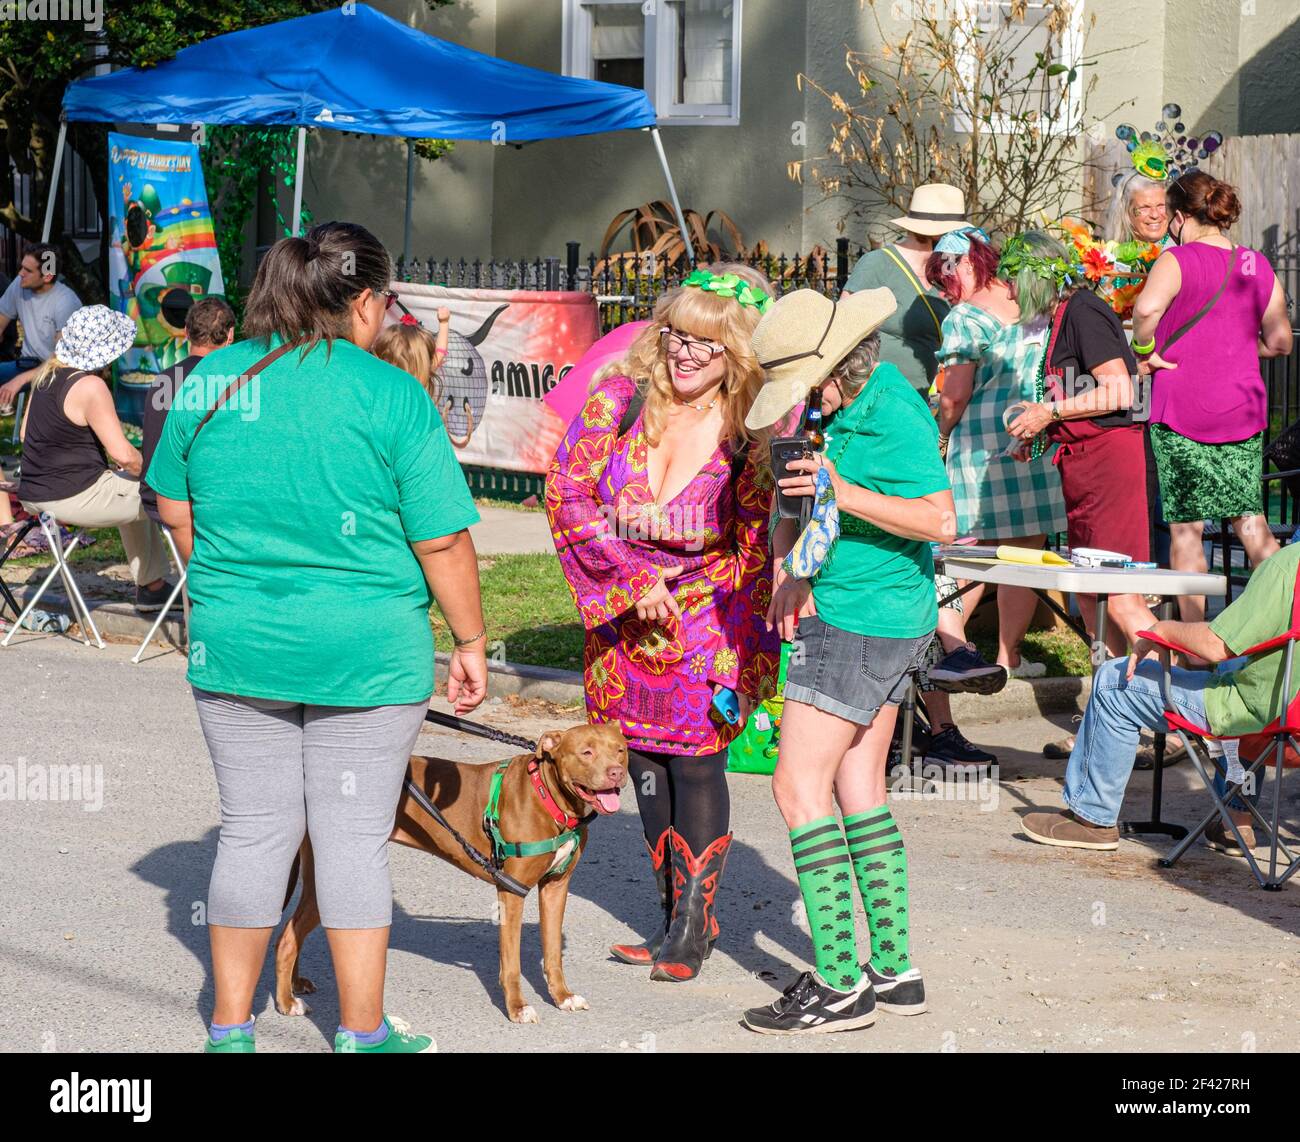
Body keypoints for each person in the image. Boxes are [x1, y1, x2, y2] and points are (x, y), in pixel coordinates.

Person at [146, 221, 487, 1054]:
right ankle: (362, 1033)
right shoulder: (392, 395)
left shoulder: (208, 379)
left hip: (237, 646)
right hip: (367, 654)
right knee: (353, 839)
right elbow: (440, 540)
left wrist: (224, 581)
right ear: (365, 300)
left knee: (254, 829)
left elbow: (173, 505)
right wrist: (471, 641)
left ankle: (230, 1029)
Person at [546, 264, 779, 983]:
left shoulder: (749, 430)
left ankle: (692, 928)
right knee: (637, 760)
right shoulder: (617, 399)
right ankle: (675, 913)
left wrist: (688, 588)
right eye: (676, 335)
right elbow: (566, 491)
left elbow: (756, 544)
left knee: (696, 760)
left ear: (735, 353)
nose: (683, 354)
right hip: (620, 619)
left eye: (705, 345)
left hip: (707, 618)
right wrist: (630, 575)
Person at [740, 288, 955, 1035]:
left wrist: (844, 489)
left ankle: (837, 986)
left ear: (836, 368)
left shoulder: (894, 410)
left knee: (797, 787)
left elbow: (940, 519)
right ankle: (893, 972)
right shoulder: (843, 407)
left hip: (863, 619)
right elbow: (803, 500)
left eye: (803, 385)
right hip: (865, 610)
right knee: (859, 786)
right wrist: (787, 569)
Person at [842, 186, 996, 766]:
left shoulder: (960, 262)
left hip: (938, 418)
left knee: (937, 558)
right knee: (903, 559)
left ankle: (932, 717)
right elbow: (850, 337)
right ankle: (892, 717)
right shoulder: (877, 265)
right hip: (891, 416)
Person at [1022, 540, 1300, 851]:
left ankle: (1091, 819)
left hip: (1274, 726)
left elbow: (1215, 645)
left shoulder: (1290, 564)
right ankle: (1235, 822)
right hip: (1288, 730)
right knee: (1241, 673)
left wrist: (1164, 630)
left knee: (1114, 681)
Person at [1131, 171, 1293, 625]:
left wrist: (1146, 350)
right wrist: (1237, 348)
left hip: (1180, 406)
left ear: (1180, 217)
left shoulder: (1176, 260)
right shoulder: (1255, 264)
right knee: (1252, 525)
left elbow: (1145, 310)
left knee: (1187, 531)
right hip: (1241, 407)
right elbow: (1280, 342)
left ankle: (1194, 643)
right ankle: (1283, 626)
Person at [1004, 231, 1159, 656]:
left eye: (1013, 278)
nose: (1010, 292)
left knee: (1119, 596)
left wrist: (1048, 414)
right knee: (1091, 595)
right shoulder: (1061, 317)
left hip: (1110, 466)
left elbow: (1120, 392)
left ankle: (1181, 693)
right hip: (1084, 467)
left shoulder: (1084, 311)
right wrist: (1040, 431)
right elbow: (1078, 396)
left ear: (1036, 276)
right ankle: (1110, 704)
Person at [927, 226, 1068, 680]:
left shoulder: (965, 317)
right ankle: (1007, 657)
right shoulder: (1038, 306)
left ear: (966, 263)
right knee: (1024, 553)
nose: (947, 290)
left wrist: (939, 434)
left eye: (945, 277)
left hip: (980, 450)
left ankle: (947, 651)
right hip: (1032, 442)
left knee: (971, 556)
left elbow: (954, 395)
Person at [16, 305, 173, 610]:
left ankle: (153, 586)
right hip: (74, 495)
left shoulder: (46, 375)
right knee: (167, 492)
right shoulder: (90, 385)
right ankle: (199, 585)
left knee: (129, 488)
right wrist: (157, 471)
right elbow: (123, 455)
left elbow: (24, 434)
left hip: (36, 493)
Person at [842, 183, 967, 397]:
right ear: (939, 235)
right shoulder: (879, 264)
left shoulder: (944, 274)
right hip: (876, 400)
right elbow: (842, 327)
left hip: (918, 400)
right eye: (956, 235)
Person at [139, 297, 235, 523]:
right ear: (230, 335)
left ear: (185, 332)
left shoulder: (163, 381)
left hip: (155, 498)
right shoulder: (232, 384)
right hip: (207, 502)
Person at [0, 244, 82, 410]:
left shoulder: (66, 303)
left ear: (47, 276)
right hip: (27, 364)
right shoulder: (19, 285)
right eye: (21, 267)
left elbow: (60, 360)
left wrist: (19, 380)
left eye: (28, 271)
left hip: (58, 371)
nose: (20, 273)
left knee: (42, 415)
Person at [371, 307, 452, 406]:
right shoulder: (422, 373)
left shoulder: (378, 386)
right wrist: (444, 323)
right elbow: (440, 352)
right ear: (423, 359)